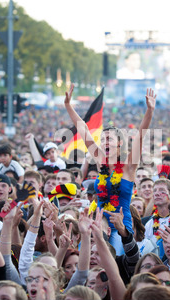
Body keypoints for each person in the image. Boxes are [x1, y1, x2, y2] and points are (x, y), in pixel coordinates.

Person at [64, 83, 156, 255]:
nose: (105, 142)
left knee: (113, 260)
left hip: (119, 226)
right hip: (98, 223)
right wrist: (68, 105)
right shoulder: (101, 163)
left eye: (110, 139)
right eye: (103, 139)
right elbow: (83, 129)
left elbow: (141, 136)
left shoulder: (129, 167)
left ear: (119, 143)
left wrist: (149, 111)